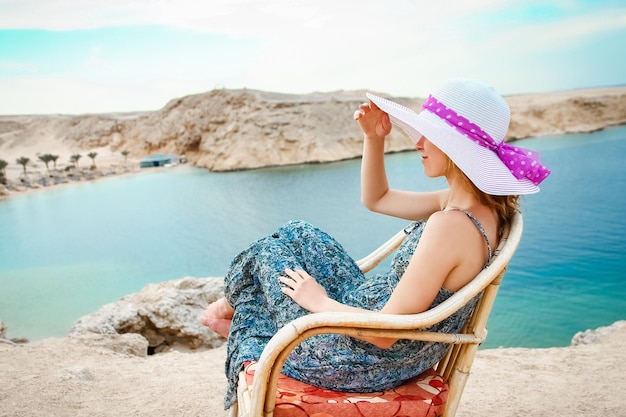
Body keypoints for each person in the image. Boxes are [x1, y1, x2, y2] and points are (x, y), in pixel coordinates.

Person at [200, 78, 551, 409]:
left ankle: (229, 311)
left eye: (428, 136)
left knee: (268, 252)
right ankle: (232, 309)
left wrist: (320, 302)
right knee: (298, 232)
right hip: (380, 336)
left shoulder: (452, 225)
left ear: (455, 147)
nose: (418, 144)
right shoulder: (475, 206)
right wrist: (374, 138)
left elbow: (385, 333)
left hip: (357, 358)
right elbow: (378, 198)